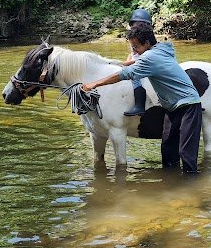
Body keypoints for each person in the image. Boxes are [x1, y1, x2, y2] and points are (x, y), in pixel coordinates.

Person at [81, 22, 203, 173]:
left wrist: (95, 83)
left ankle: (192, 188)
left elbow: (125, 74)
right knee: (168, 151)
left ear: (146, 43)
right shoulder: (161, 49)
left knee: (186, 153)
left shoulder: (151, 57)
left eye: (135, 47)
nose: (134, 50)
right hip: (173, 107)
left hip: (189, 106)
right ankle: (172, 186)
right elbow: (134, 63)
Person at [123, 8, 152, 117]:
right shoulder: (134, 37)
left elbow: (147, 56)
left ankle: (139, 105)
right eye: (135, 24)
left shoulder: (147, 38)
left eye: (140, 24)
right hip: (137, 62)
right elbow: (132, 54)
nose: (137, 27)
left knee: (135, 78)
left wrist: (130, 63)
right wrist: (127, 61)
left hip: (146, 63)